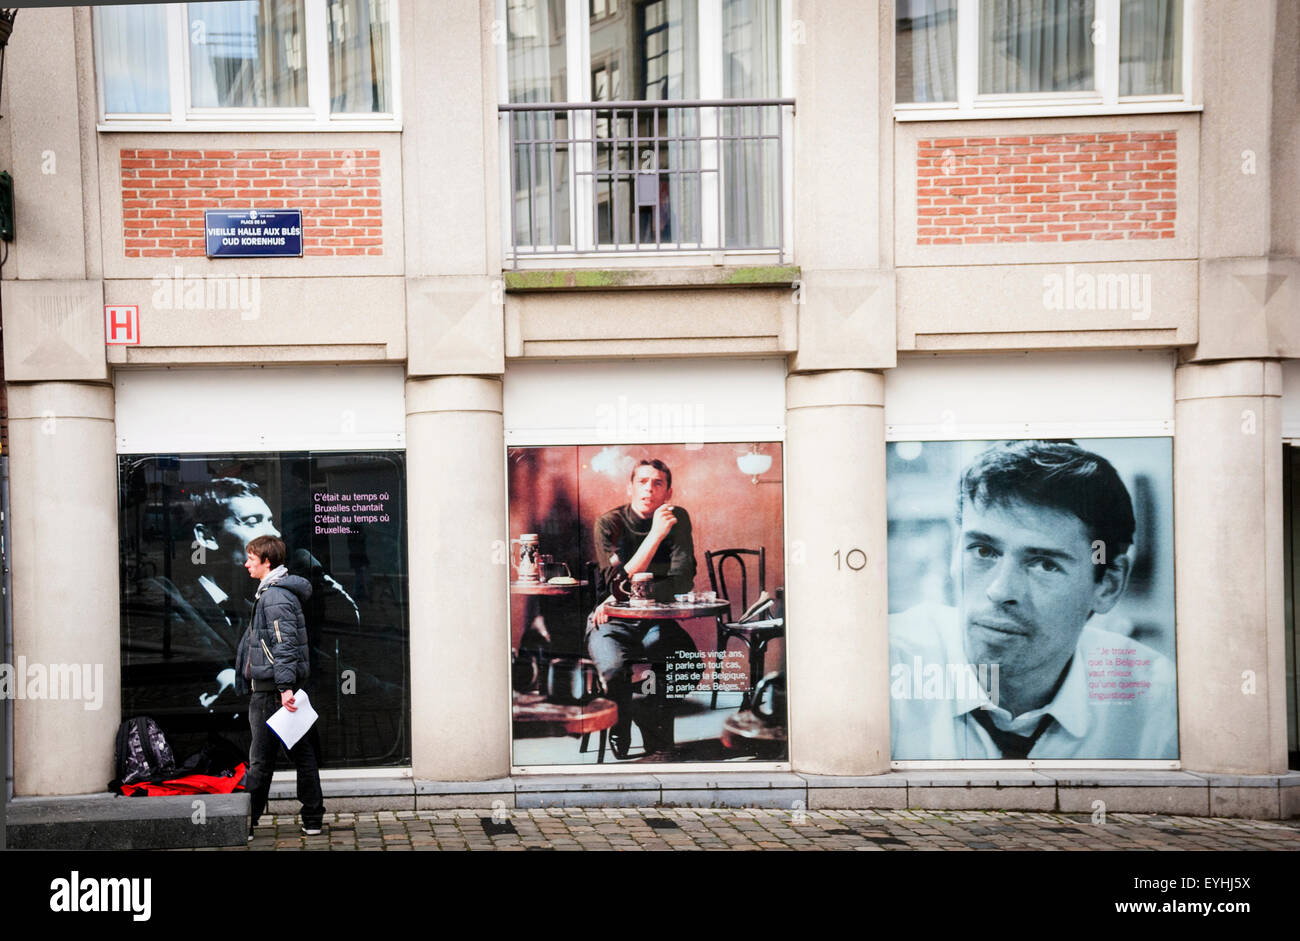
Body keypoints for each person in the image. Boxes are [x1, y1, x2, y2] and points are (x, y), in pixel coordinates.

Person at [890, 440, 1177, 760]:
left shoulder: (1159, 706)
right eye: (984, 551)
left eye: (1044, 564)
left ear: (1108, 585)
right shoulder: (883, 664)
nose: (1000, 591)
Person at [586, 459, 698, 759]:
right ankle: (621, 721)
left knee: (688, 664)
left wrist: (628, 586)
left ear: (668, 492)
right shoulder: (609, 523)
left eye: (657, 483)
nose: (649, 488)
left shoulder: (678, 518)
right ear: (630, 487)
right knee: (613, 672)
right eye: (643, 482)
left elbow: (684, 580)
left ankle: (643, 708)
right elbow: (614, 584)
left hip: (654, 620)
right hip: (610, 618)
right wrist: (655, 536)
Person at [236, 534, 326, 837]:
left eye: (251, 558)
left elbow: (284, 644)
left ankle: (247, 823)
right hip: (281, 689)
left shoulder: (274, 596)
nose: (246, 563)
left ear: (267, 561)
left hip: (273, 692)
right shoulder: (274, 592)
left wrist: (284, 688)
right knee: (303, 755)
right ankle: (312, 818)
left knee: (260, 761)